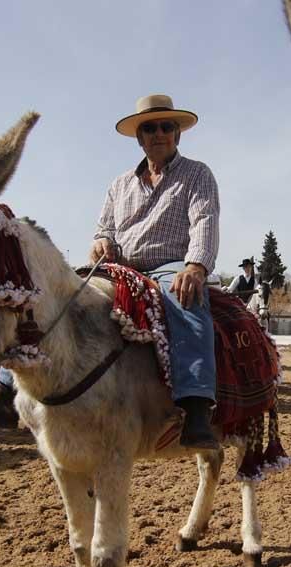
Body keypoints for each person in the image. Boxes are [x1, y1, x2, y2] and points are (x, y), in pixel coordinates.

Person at [91, 94, 220, 450]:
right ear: (140, 137)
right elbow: (104, 229)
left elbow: (204, 220)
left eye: (166, 127)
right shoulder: (119, 185)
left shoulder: (196, 174)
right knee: (63, 296)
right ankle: (12, 387)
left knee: (187, 303)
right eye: (150, 128)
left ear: (177, 134)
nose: (158, 133)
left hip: (171, 265)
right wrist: (101, 242)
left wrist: (195, 266)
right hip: (121, 266)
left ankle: (195, 407)